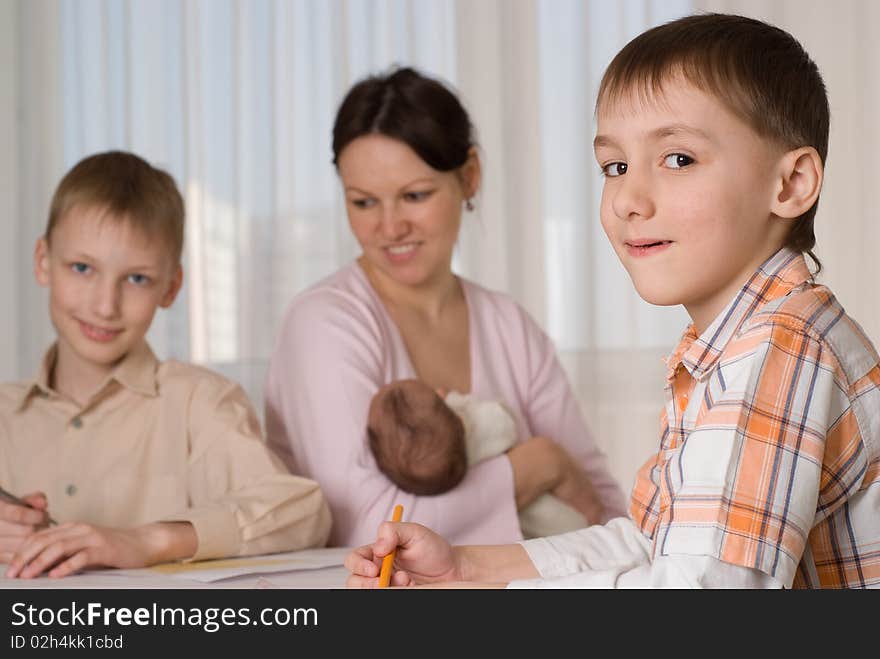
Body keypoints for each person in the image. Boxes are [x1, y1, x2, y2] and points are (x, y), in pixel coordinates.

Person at [345, 13, 880, 589]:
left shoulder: (779, 348)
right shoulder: (737, 344)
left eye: (678, 159)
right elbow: (656, 541)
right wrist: (467, 569)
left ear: (792, 183)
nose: (627, 197)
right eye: (615, 166)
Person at [265, 66, 627, 548]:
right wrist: (538, 466)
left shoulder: (507, 325)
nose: (391, 228)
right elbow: (371, 527)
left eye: (415, 196)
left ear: (469, 176)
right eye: (364, 202)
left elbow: (604, 507)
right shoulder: (324, 323)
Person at [0, 151, 331, 579]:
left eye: (136, 279)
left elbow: (302, 512)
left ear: (171, 287)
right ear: (43, 261)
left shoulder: (199, 402)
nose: (105, 306)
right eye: (82, 268)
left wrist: (144, 541)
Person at [367, 379, 588, 538]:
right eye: (437, 396)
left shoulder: (432, 469)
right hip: (560, 521)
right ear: (459, 420)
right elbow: (505, 423)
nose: (441, 390)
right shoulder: (471, 426)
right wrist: (455, 401)